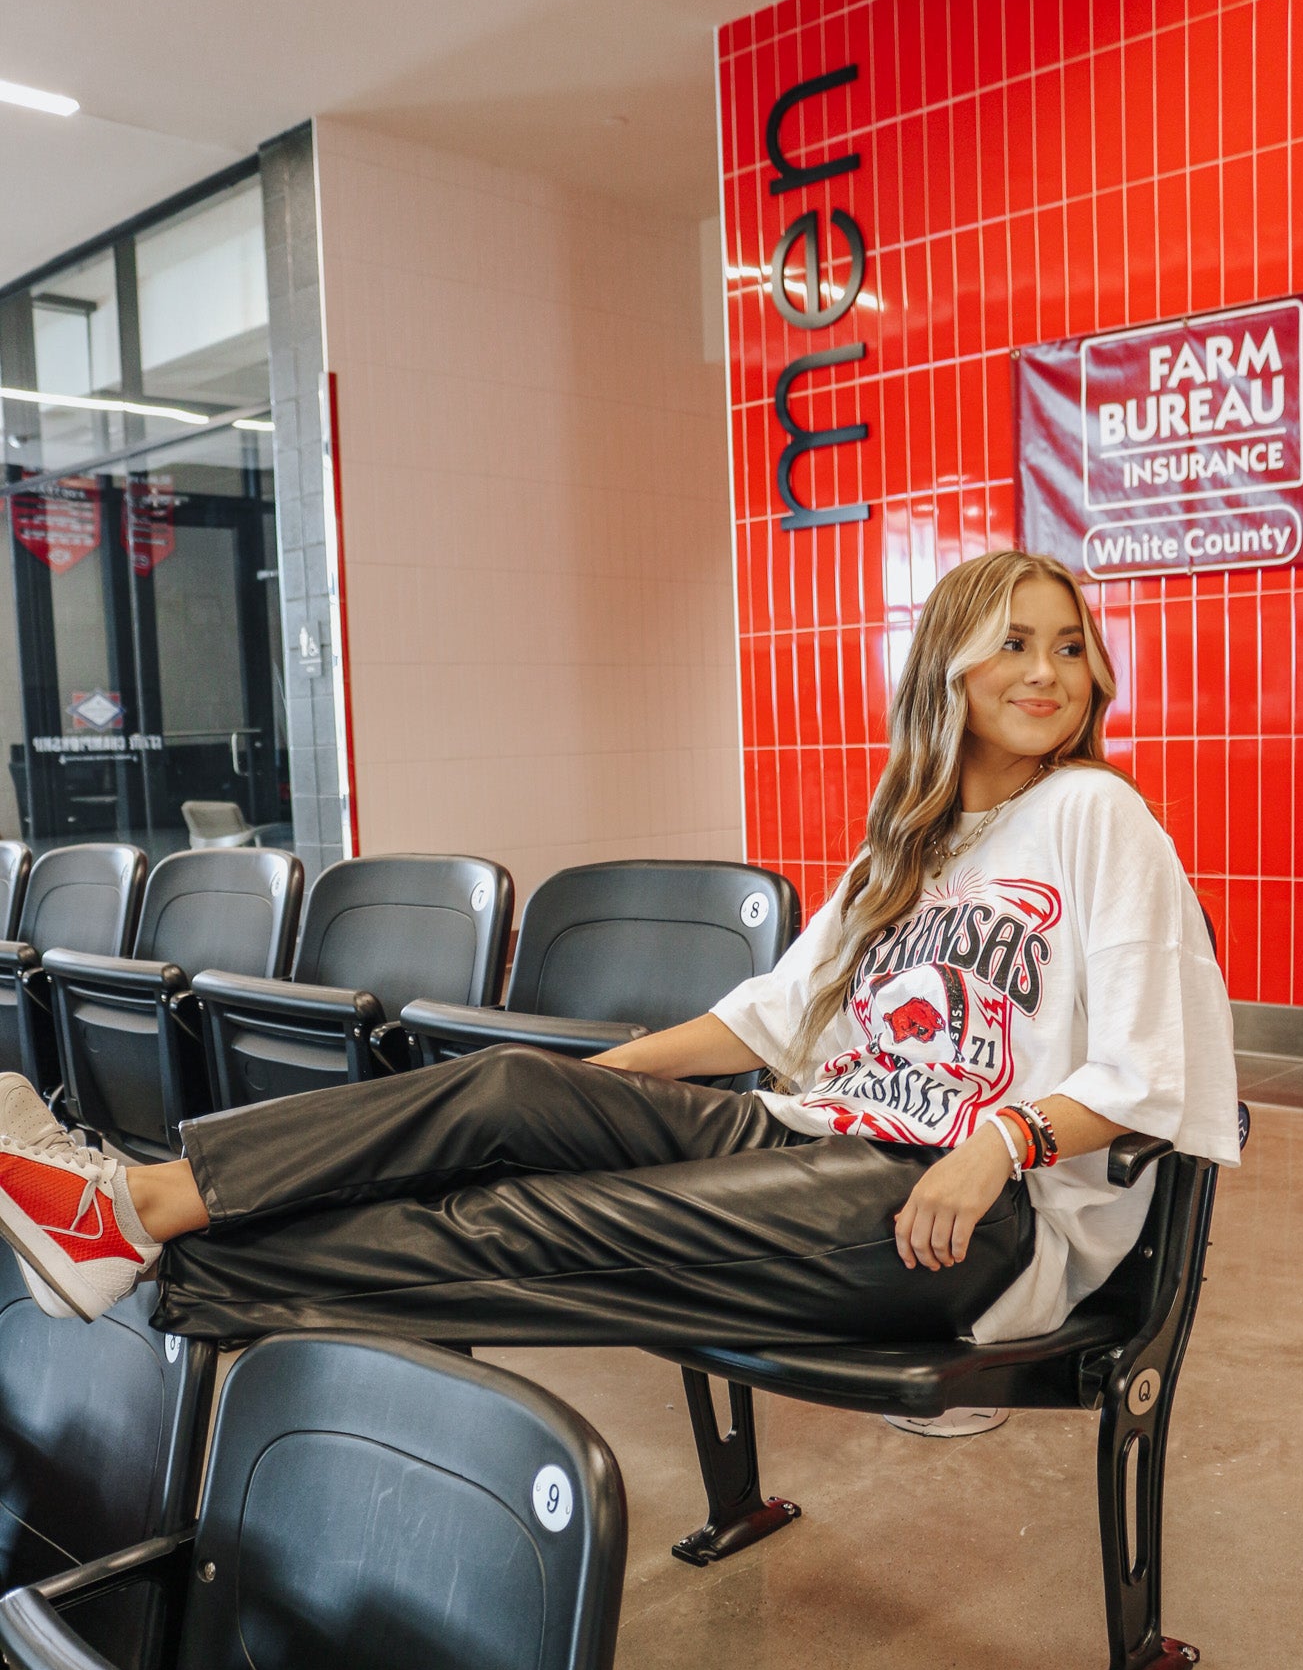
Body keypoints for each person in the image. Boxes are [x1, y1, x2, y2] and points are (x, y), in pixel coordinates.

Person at [0, 551, 1240, 1355]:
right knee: (506, 1091)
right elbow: (766, 1016)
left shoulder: (1095, 814)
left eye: (1070, 644)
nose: (1050, 670)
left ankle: (164, 1267)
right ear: (948, 669)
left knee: (534, 1220)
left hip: (956, 1212)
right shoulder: (901, 848)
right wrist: (584, 1098)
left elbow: (1151, 1071)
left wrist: (1000, 1141)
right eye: (1015, 641)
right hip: (826, 1141)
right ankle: (147, 1205)